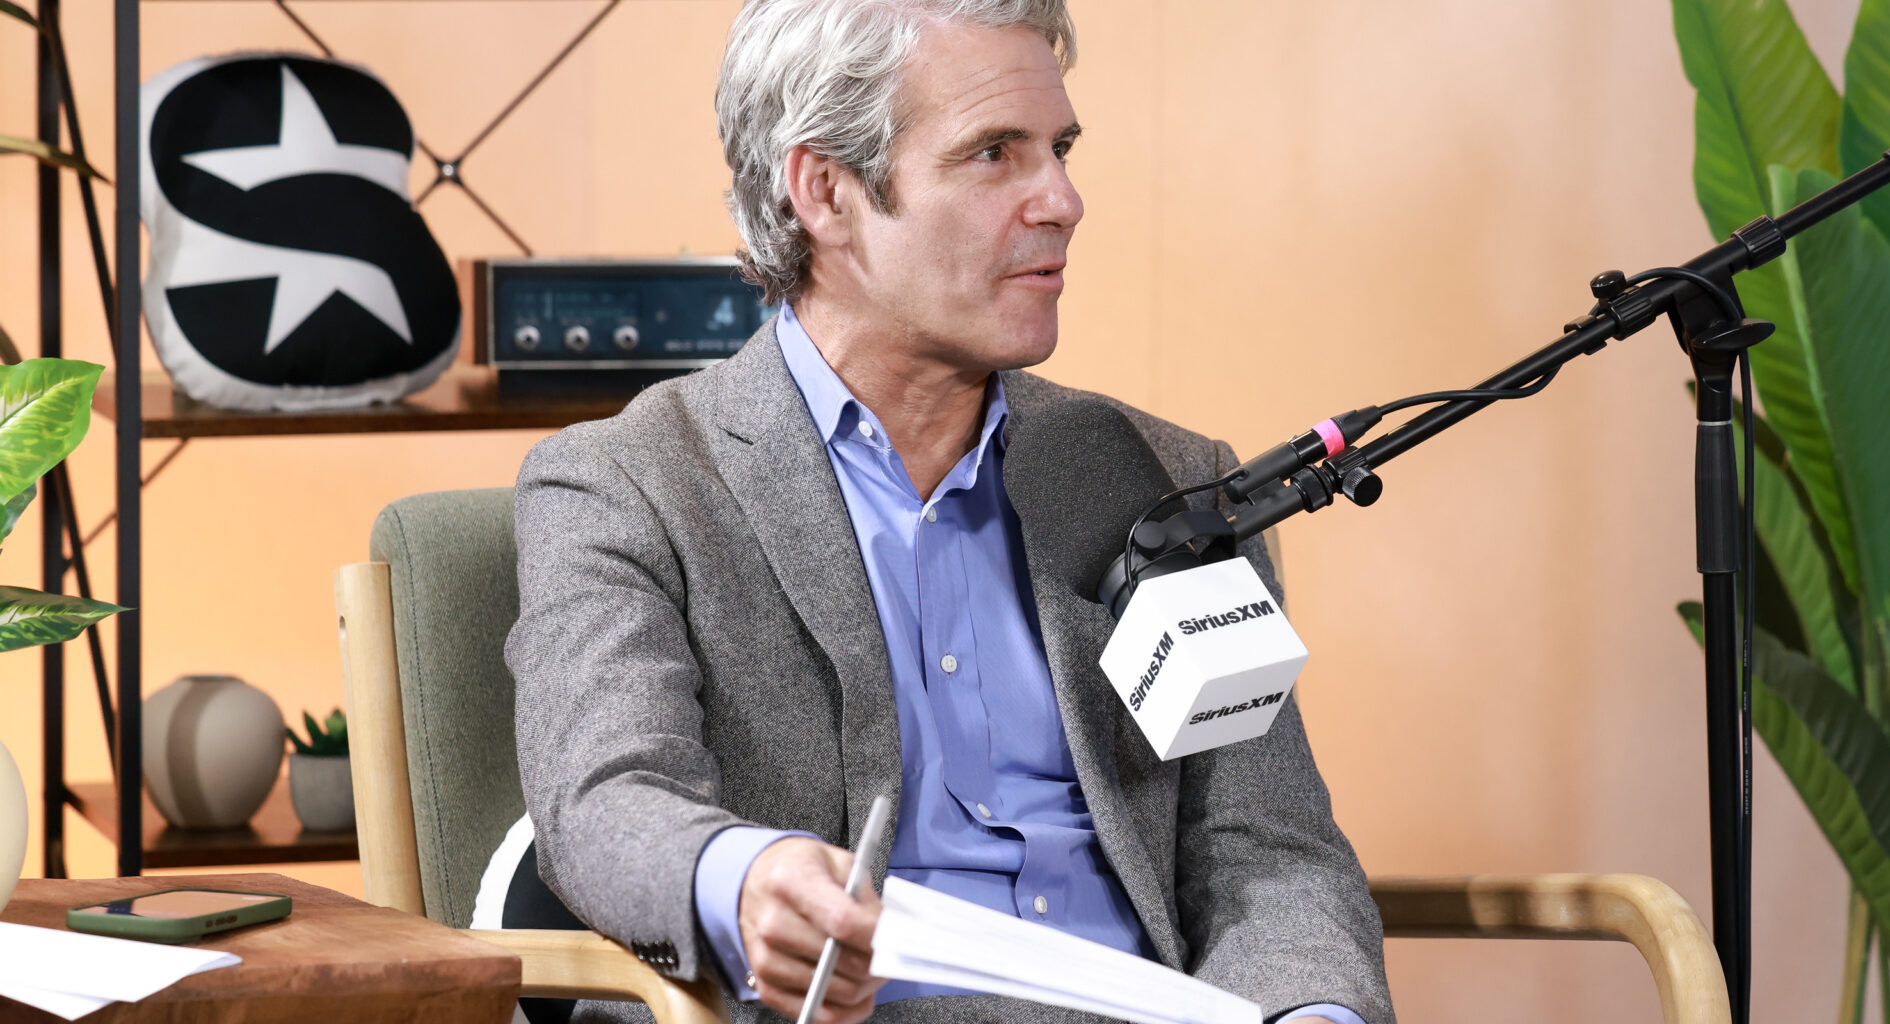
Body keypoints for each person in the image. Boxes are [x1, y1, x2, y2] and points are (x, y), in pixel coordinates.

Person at [505, 2, 1392, 1022]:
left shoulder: (1166, 482)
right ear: (826, 192)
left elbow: (1271, 854)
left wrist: (1312, 1012)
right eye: (994, 153)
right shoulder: (627, 485)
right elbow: (604, 802)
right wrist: (741, 878)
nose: (1064, 200)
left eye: (1060, 150)